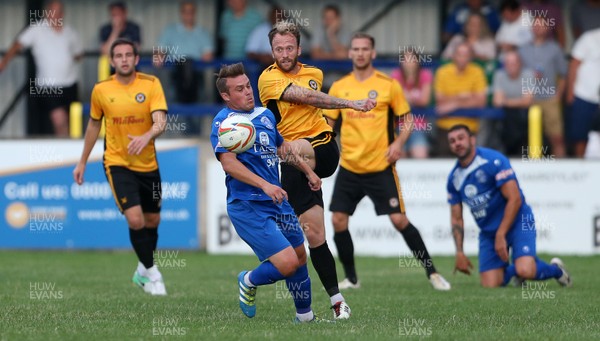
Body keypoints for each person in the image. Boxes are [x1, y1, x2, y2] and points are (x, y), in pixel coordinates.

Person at [258, 21, 376, 320]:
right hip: (297, 165)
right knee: (314, 237)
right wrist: (353, 104)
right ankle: (337, 302)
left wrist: (352, 105)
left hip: (322, 149)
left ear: (298, 48)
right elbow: (306, 98)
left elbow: (312, 98)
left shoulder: (315, 74)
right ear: (272, 51)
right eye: (278, 49)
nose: (284, 54)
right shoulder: (267, 78)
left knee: (289, 149)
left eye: (289, 48)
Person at [324, 33, 451, 291]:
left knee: (399, 220)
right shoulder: (339, 87)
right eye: (355, 49)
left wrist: (398, 143)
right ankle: (351, 278)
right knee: (338, 220)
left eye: (365, 49)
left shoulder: (388, 85)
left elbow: (407, 120)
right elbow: (329, 125)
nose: (360, 53)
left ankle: (432, 272)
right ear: (350, 54)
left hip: (380, 166)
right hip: (349, 166)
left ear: (373, 53)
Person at [211, 62, 327, 323]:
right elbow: (229, 163)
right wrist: (264, 184)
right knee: (286, 263)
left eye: (248, 86)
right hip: (248, 204)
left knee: (299, 257)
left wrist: (308, 172)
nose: (248, 92)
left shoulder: (265, 115)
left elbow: (283, 148)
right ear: (226, 96)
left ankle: (305, 318)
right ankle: (248, 280)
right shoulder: (224, 123)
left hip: (277, 200)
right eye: (239, 89)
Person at [73, 38, 167, 296]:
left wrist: (146, 136)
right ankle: (154, 274)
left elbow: (160, 120)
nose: (124, 59)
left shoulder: (151, 84)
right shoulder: (101, 89)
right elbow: (93, 125)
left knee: (152, 220)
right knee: (135, 219)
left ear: (136, 59)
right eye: (119, 56)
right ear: (112, 61)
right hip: (117, 162)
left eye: (129, 55)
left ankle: (142, 270)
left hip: (148, 163)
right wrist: (82, 161)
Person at [446, 124, 572, 288]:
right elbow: (456, 218)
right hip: (489, 232)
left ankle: (556, 270)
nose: (457, 143)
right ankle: (516, 272)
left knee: (526, 269)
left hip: (519, 220)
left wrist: (501, 234)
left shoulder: (494, 160)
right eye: (452, 141)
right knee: (490, 284)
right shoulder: (453, 179)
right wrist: (460, 252)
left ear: (472, 139)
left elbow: (515, 199)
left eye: (461, 138)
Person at [0, 0, 82, 137]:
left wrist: (64, 60)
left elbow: (78, 54)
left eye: (58, 11)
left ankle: (68, 149)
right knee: (59, 119)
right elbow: (17, 45)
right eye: (53, 11)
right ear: (47, 13)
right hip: (48, 85)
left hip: (70, 84)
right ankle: (64, 149)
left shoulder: (70, 32)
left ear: (62, 14)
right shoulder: (37, 30)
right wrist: (4, 62)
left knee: (70, 120)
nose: (55, 15)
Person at [519, 15, 567, 157]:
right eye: (535, 24)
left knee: (556, 137)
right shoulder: (522, 49)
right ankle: (531, 172)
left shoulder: (555, 48)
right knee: (528, 137)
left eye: (541, 25)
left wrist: (558, 95)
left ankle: (563, 170)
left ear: (548, 28)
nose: (538, 27)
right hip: (527, 98)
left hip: (549, 98)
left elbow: (563, 74)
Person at [434, 42, 487, 156]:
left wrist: (455, 104)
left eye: (466, 55)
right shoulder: (442, 72)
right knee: (443, 164)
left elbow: (481, 101)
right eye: (459, 54)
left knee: (470, 163)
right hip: (446, 126)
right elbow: (440, 100)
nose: (462, 58)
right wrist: (464, 97)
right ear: (453, 56)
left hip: (469, 127)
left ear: (470, 57)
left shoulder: (477, 71)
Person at [391, 49, 433, 159]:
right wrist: (413, 99)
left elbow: (425, 100)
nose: (409, 62)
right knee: (399, 157)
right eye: (406, 59)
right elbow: (393, 100)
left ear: (418, 61)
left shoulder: (425, 74)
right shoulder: (396, 74)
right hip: (399, 125)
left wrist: (404, 97)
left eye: (412, 59)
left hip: (419, 125)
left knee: (421, 156)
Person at [492, 50, 534, 155]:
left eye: (514, 63)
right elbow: (497, 101)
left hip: (524, 114)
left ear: (520, 64)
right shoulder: (499, 75)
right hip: (506, 116)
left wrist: (506, 101)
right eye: (508, 63)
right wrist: (518, 101)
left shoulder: (528, 74)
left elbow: (528, 101)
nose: (511, 66)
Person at [566, 27, 600, 157]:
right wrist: (570, 93)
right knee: (580, 135)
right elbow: (574, 65)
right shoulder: (589, 38)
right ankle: (580, 166)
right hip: (583, 95)